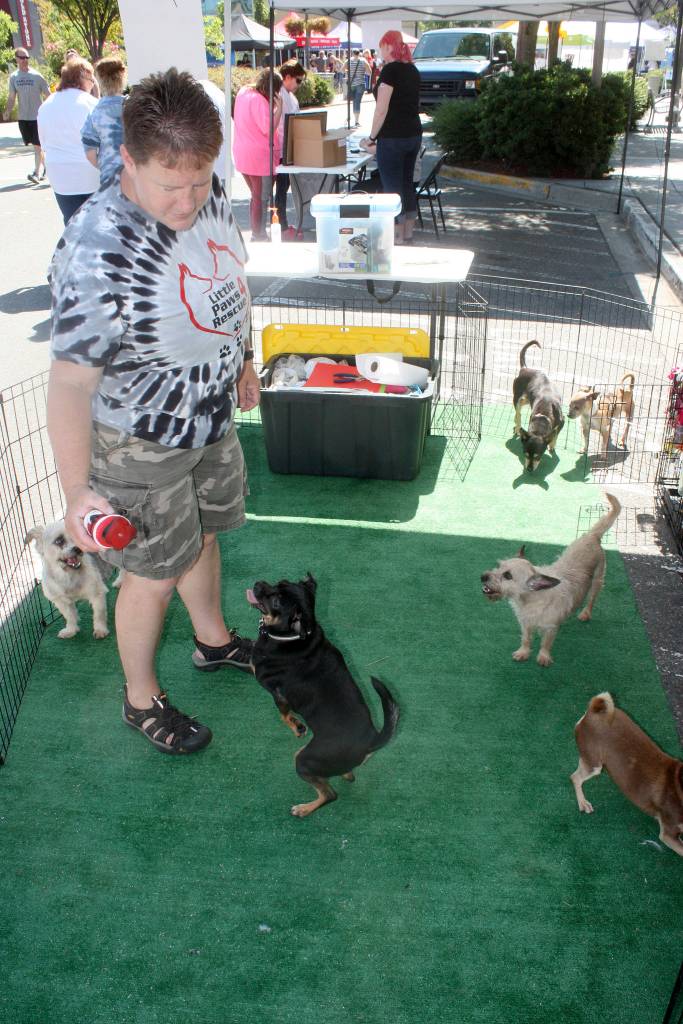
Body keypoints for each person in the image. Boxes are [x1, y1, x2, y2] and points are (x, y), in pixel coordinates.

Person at [46, 68, 259, 756]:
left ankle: (213, 642)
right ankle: (141, 700)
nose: (190, 199)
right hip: (137, 444)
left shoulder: (207, 192)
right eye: (172, 185)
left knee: (205, 533)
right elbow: (71, 384)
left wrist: (244, 357)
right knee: (152, 572)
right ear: (128, 160)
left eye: (201, 180)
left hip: (209, 417)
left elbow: (228, 276)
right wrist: (78, 489)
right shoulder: (95, 247)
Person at [361, 31, 422, 245]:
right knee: (407, 184)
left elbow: (381, 109)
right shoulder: (412, 70)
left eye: (381, 47)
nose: (379, 52)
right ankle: (408, 235)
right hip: (413, 134)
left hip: (393, 137)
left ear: (388, 46)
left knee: (392, 188)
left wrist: (371, 137)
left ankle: (395, 238)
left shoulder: (390, 71)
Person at [37, 57, 100, 224]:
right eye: (91, 79)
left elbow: (43, 144)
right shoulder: (90, 103)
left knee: (72, 223)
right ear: (81, 79)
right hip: (89, 173)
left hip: (60, 176)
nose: (93, 84)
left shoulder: (46, 105)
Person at [232, 69, 283, 241]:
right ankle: (258, 234)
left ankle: (258, 233)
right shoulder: (260, 101)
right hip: (259, 157)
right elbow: (268, 129)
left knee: (255, 196)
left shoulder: (243, 92)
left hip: (242, 153)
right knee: (261, 198)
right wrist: (279, 108)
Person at [2, 47, 50, 184]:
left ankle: (36, 173)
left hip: (37, 117)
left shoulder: (37, 76)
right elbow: (11, 97)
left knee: (37, 146)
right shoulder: (14, 77)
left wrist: (49, 112)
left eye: (27, 57)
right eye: (22, 58)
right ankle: (47, 169)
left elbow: (48, 96)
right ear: (16, 59)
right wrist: (7, 111)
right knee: (36, 146)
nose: (25, 60)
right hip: (23, 117)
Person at [81, 56, 126, 184]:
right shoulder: (134, 107)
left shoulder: (95, 113)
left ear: (99, 80)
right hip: (137, 176)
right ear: (122, 77)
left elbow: (90, 152)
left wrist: (104, 166)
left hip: (110, 177)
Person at [274, 61, 306, 234]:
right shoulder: (279, 94)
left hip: (288, 147)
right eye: (298, 81)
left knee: (284, 187)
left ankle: (282, 223)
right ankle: (281, 224)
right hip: (280, 147)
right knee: (280, 188)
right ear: (288, 77)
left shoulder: (290, 97)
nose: (299, 85)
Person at [343, 49, 371, 127]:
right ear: (359, 53)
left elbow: (341, 70)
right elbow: (369, 72)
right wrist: (362, 71)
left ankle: (353, 119)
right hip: (360, 84)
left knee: (354, 101)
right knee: (357, 101)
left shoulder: (348, 61)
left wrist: (348, 72)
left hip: (352, 84)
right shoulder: (363, 61)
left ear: (352, 53)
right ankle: (356, 121)